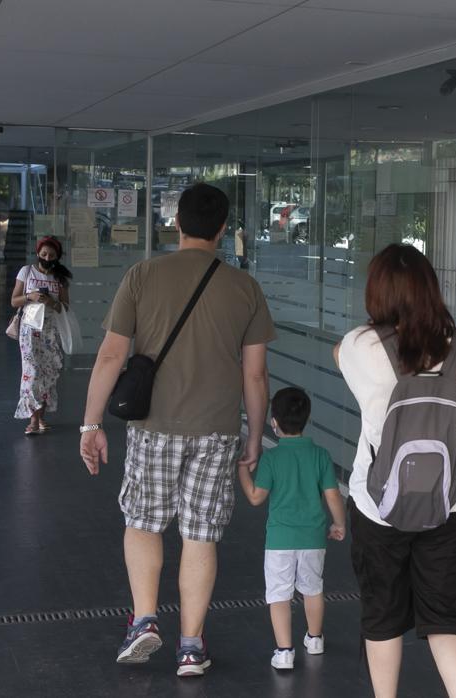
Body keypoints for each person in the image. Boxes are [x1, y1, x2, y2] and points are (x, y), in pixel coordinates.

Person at [78, 182, 276, 678]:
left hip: (154, 427)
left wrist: (91, 423)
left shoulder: (143, 275)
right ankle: (191, 645)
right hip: (218, 430)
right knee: (201, 534)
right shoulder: (245, 288)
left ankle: (144, 620)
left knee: (144, 522)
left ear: (177, 224)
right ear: (224, 230)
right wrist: (254, 437)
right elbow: (254, 374)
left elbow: (110, 355)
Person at [334, 243, 456, 698]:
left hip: (378, 504)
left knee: (383, 614)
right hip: (455, 502)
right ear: (431, 288)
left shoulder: (357, 346)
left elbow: (338, 356)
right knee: (448, 616)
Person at [236, 387, 346, 671]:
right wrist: (339, 523)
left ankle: (284, 652)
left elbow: (256, 498)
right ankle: (315, 638)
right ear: (306, 419)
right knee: (313, 589)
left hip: (280, 540)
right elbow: (333, 495)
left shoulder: (272, 458)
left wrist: (242, 473)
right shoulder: (321, 455)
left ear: (274, 422)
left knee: (279, 595)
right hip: (313, 537)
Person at [11, 236, 71, 436]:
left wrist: (50, 302)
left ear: (57, 257)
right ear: (38, 253)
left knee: (49, 373)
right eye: (44, 254)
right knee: (32, 372)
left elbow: (65, 307)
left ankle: (41, 415)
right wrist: (31, 296)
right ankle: (33, 419)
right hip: (29, 330)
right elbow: (14, 301)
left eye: (51, 255)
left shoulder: (60, 278)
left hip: (50, 331)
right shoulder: (26, 272)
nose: (47, 257)